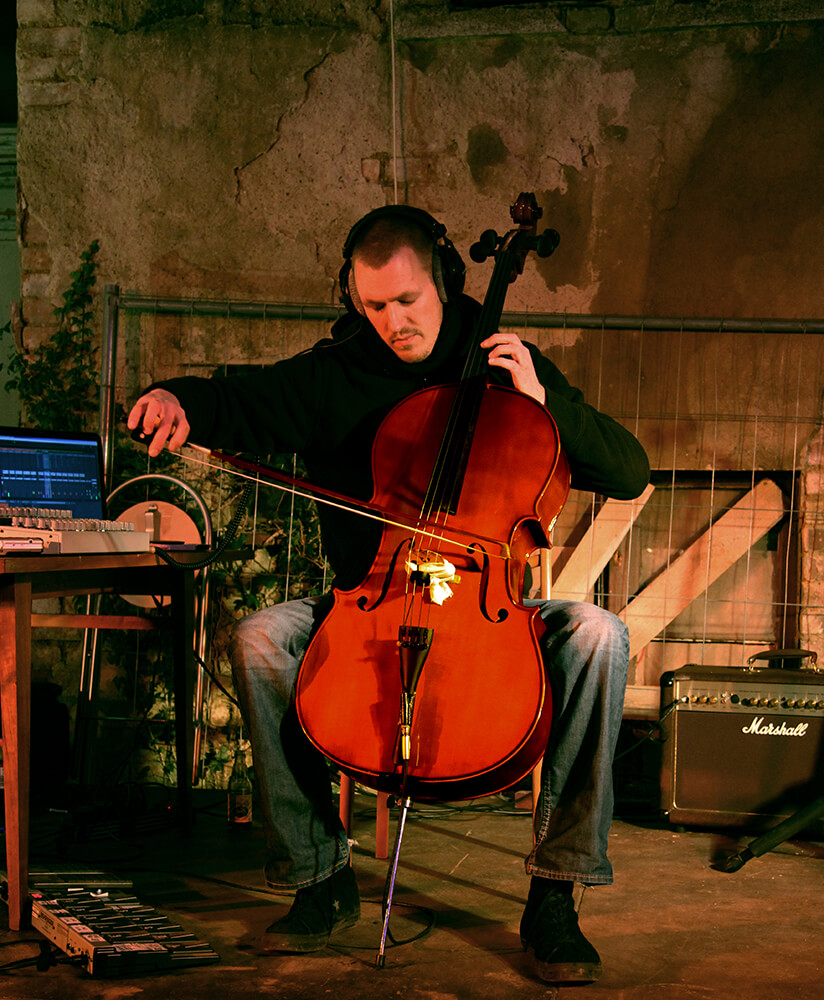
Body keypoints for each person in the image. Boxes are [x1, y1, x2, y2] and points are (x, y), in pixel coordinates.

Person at [127, 205, 650, 984]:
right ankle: (319, 876)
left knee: (598, 635)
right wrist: (176, 399)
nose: (393, 322)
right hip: (369, 600)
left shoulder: (505, 362)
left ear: (444, 281)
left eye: (408, 301)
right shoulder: (338, 370)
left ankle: (556, 891)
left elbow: (629, 471)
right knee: (260, 638)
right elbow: (241, 402)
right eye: (374, 305)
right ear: (353, 295)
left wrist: (544, 402)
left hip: (488, 602)